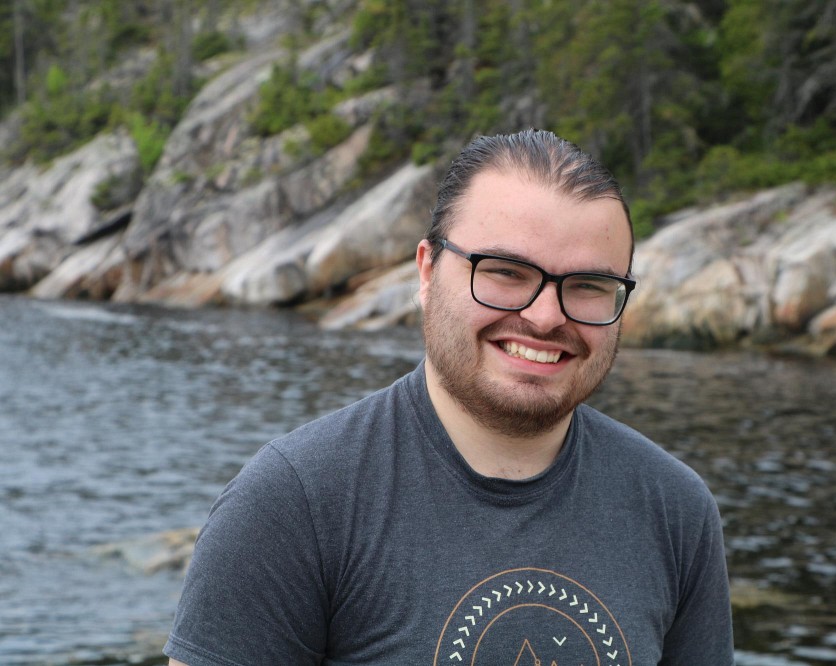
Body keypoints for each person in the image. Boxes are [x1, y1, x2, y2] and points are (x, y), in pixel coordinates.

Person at [165, 129, 734, 665]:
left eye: (588, 285)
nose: (544, 316)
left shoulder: (675, 509)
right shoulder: (293, 503)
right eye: (506, 272)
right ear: (426, 271)